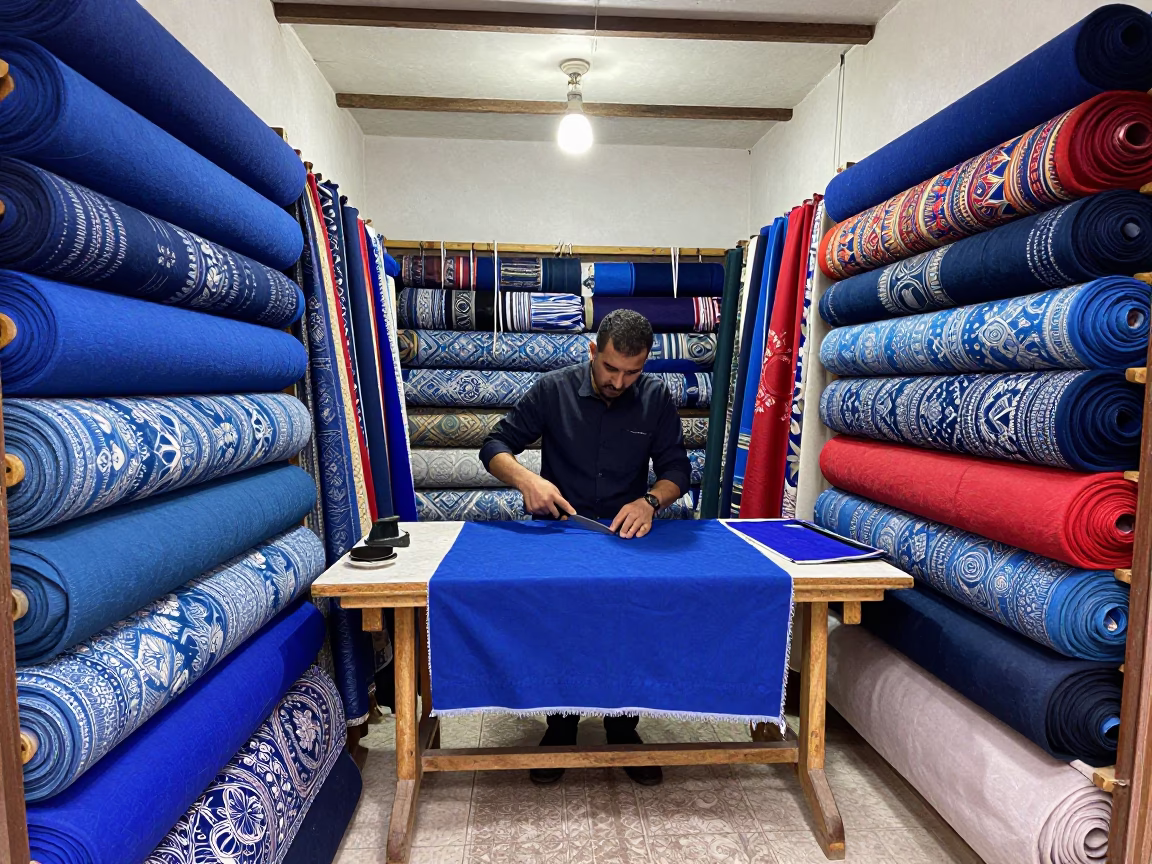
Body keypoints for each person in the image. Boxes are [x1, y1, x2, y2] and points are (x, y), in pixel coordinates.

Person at [479, 309, 691, 786]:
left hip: (624, 534)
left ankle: (622, 726)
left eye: (632, 372)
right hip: (559, 529)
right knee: (556, 623)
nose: (619, 381)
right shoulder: (553, 388)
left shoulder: (655, 398)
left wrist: (651, 501)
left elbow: (678, 470)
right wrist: (527, 480)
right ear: (593, 351)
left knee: (630, 623)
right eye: (610, 368)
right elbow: (494, 445)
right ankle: (560, 725)